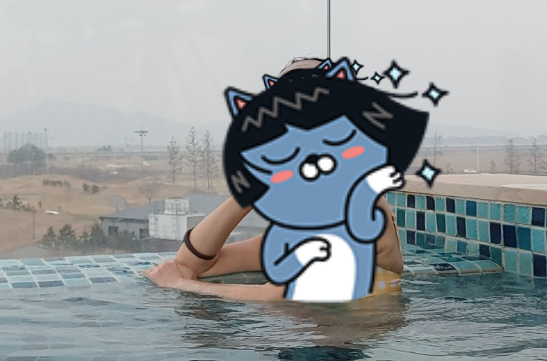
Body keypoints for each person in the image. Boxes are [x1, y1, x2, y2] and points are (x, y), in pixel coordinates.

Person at [144, 56, 407, 301]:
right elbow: (193, 264)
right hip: (317, 329)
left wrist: (180, 284)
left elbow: (278, 297)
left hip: (356, 334)